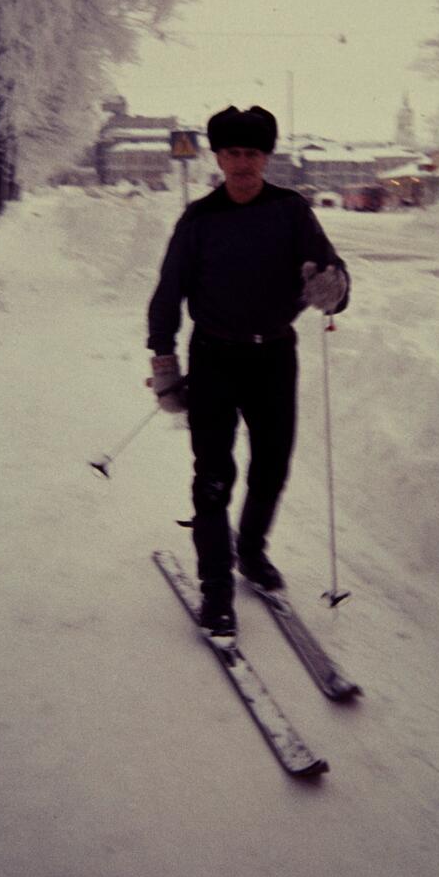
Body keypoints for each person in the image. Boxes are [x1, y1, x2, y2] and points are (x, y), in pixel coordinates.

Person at [147, 105, 349, 637]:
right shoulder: (198, 220)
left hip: (274, 357)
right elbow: (168, 293)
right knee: (213, 476)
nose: (243, 163)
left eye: (252, 153)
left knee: (272, 467)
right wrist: (164, 362)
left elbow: (331, 271)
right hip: (213, 357)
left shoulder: (290, 211)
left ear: (266, 157)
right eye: (233, 153)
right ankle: (215, 589)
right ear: (217, 157)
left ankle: (252, 551)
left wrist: (333, 288)